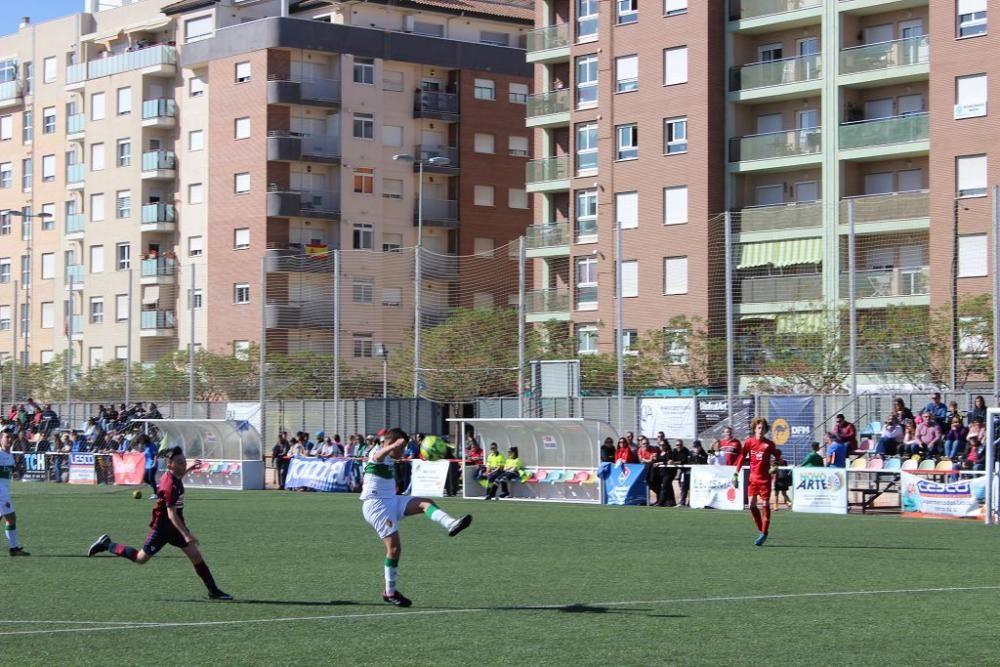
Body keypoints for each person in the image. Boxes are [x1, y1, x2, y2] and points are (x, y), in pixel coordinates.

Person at [87, 446, 231, 600]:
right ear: (170, 465)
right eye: (180, 462)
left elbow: (179, 478)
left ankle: (213, 591)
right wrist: (186, 534)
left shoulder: (174, 476)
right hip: (162, 529)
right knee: (140, 559)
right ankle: (107, 544)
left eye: (184, 461)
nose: (183, 464)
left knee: (195, 556)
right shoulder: (169, 485)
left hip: (175, 528)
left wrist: (189, 467)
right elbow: (171, 514)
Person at [360, 427, 471, 607]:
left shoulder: (388, 454)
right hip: (376, 505)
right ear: (392, 443)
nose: (403, 453)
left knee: (425, 503)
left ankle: (451, 524)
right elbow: (377, 457)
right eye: (401, 448)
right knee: (394, 548)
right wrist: (394, 446)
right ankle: (389, 592)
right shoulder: (378, 452)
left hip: (391, 501)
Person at [733, 417, 785, 546]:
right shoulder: (749, 442)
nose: (761, 430)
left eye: (763, 428)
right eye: (759, 428)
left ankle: (763, 532)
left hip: (765, 480)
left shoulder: (769, 444)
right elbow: (741, 456)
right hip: (753, 479)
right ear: (755, 429)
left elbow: (778, 456)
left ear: (766, 430)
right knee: (751, 506)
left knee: (765, 505)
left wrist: (776, 465)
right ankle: (762, 531)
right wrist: (735, 474)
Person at [0, 433, 28, 556]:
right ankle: (13, 548)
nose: (10, 439)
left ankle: (14, 548)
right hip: (1, 493)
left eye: (11, 437)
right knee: (11, 518)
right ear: (0, 439)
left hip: (4, 490)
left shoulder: (9, 455)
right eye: (7, 437)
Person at [137, 433, 160, 499]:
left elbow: (155, 455)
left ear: (144, 439)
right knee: (145, 479)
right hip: (147, 465)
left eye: (141, 440)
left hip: (152, 464)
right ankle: (156, 487)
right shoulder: (145, 446)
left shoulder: (152, 445)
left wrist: (154, 463)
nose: (140, 442)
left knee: (151, 479)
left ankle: (155, 494)